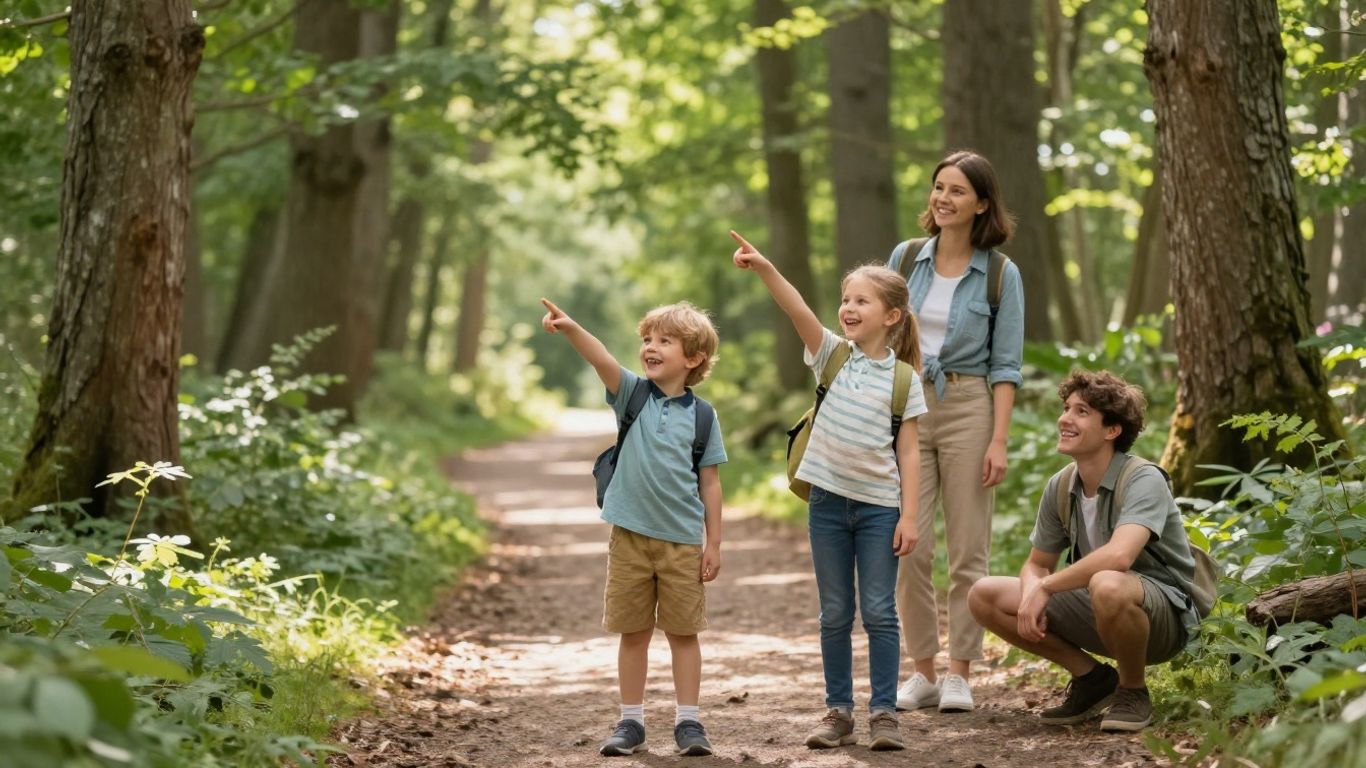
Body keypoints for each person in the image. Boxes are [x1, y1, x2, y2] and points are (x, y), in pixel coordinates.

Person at [730, 230, 927, 751]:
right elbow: (796, 309)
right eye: (845, 299)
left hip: (882, 508)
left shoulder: (905, 380)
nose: (848, 307)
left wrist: (910, 516)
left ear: (891, 316)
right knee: (835, 611)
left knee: (880, 612)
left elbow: (909, 453)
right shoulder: (830, 357)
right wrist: (766, 267)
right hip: (827, 505)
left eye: (862, 300)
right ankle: (838, 711)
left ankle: (884, 713)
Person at [539, 298, 727, 757]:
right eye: (647, 339)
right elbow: (601, 357)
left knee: (684, 634)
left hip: (682, 542)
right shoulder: (632, 394)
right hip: (629, 538)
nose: (651, 347)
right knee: (633, 632)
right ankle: (631, 721)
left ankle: (688, 722)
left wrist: (714, 543)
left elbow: (711, 482)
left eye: (665, 340)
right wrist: (571, 328)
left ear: (694, 358)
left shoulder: (703, 416)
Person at [967, 370, 1200, 732]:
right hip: (1101, 603)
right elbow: (1036, 563)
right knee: (984, 595)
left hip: (1163, 617)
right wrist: (1032, 589)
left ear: (1112, 430)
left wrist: (1046, 587)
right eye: (1066, 408)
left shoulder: (1143, 478)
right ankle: (1093, 680)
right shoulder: (1061, 485)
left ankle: (1133, 690)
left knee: (1107, 581)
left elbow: (1119, 557)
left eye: (1081, 412)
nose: (1065, 419)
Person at [886, 150, 1025, 713]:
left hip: (970, 405)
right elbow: (877, 330)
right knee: (908, 543)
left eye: (958, 191)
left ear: (982, 204)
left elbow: (1007, 365)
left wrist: (999, 439)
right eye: (938, 188)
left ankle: (961, 673)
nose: (943, 199)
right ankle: (922, 672)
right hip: (909, 405)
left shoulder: (1000, 273)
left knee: (969, 549)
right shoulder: (906, 257)